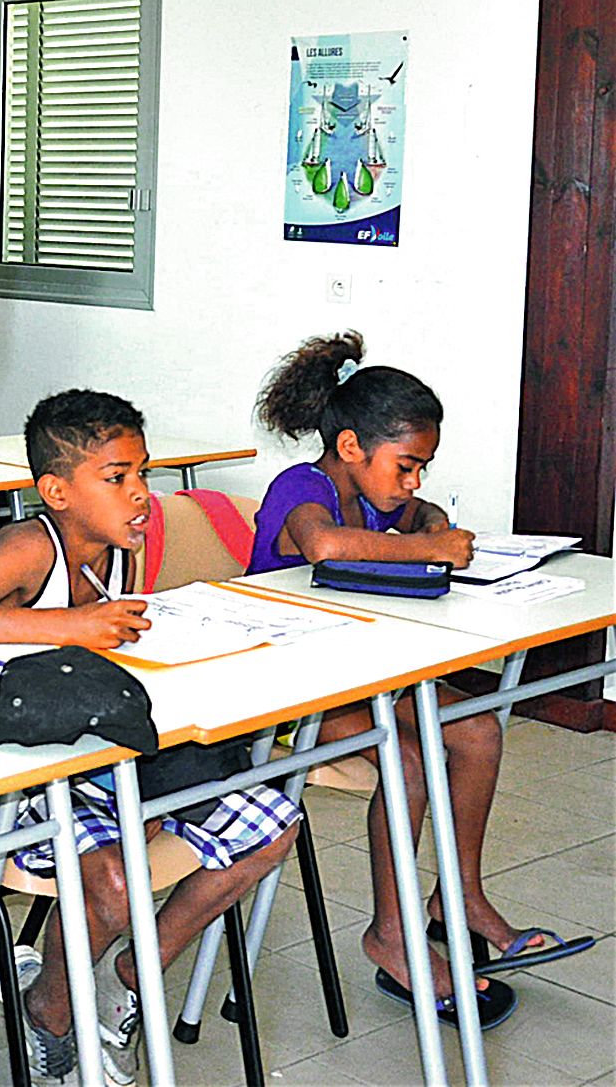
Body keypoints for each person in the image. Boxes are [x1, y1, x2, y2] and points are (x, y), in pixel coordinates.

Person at [0, 390, 302, 1083]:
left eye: (143, 475)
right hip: (16, 768)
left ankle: (130, 970)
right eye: (117, 477)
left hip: (100, 756)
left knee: (272, 824)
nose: (140, 495)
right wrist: (63, 627)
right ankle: (51, 1005)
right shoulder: (27, 547)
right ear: (56, 491)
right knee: (114, 879)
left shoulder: (116, 554)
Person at [251, 332, 587, 1025]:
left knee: (476, 729)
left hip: (362, 674)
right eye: (405, 466)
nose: (412, 484)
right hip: (285, 689)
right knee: (405, 762)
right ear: (349, 447)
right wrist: (429, 543)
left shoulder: (381, 500)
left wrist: (427, 519)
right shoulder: (302, 487)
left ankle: (457, 897)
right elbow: (323, 544)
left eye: (421, 469)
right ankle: (391, 933)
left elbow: (418, 519)